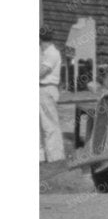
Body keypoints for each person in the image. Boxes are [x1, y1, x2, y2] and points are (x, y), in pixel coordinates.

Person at [39, 29, 66, 164]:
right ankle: (41, 155)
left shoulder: (52, 53)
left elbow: (41, 72)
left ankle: (55, 156)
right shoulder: (42, 52)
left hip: (47, 88)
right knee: (40, 124)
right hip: (41, 89)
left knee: (49, 124)